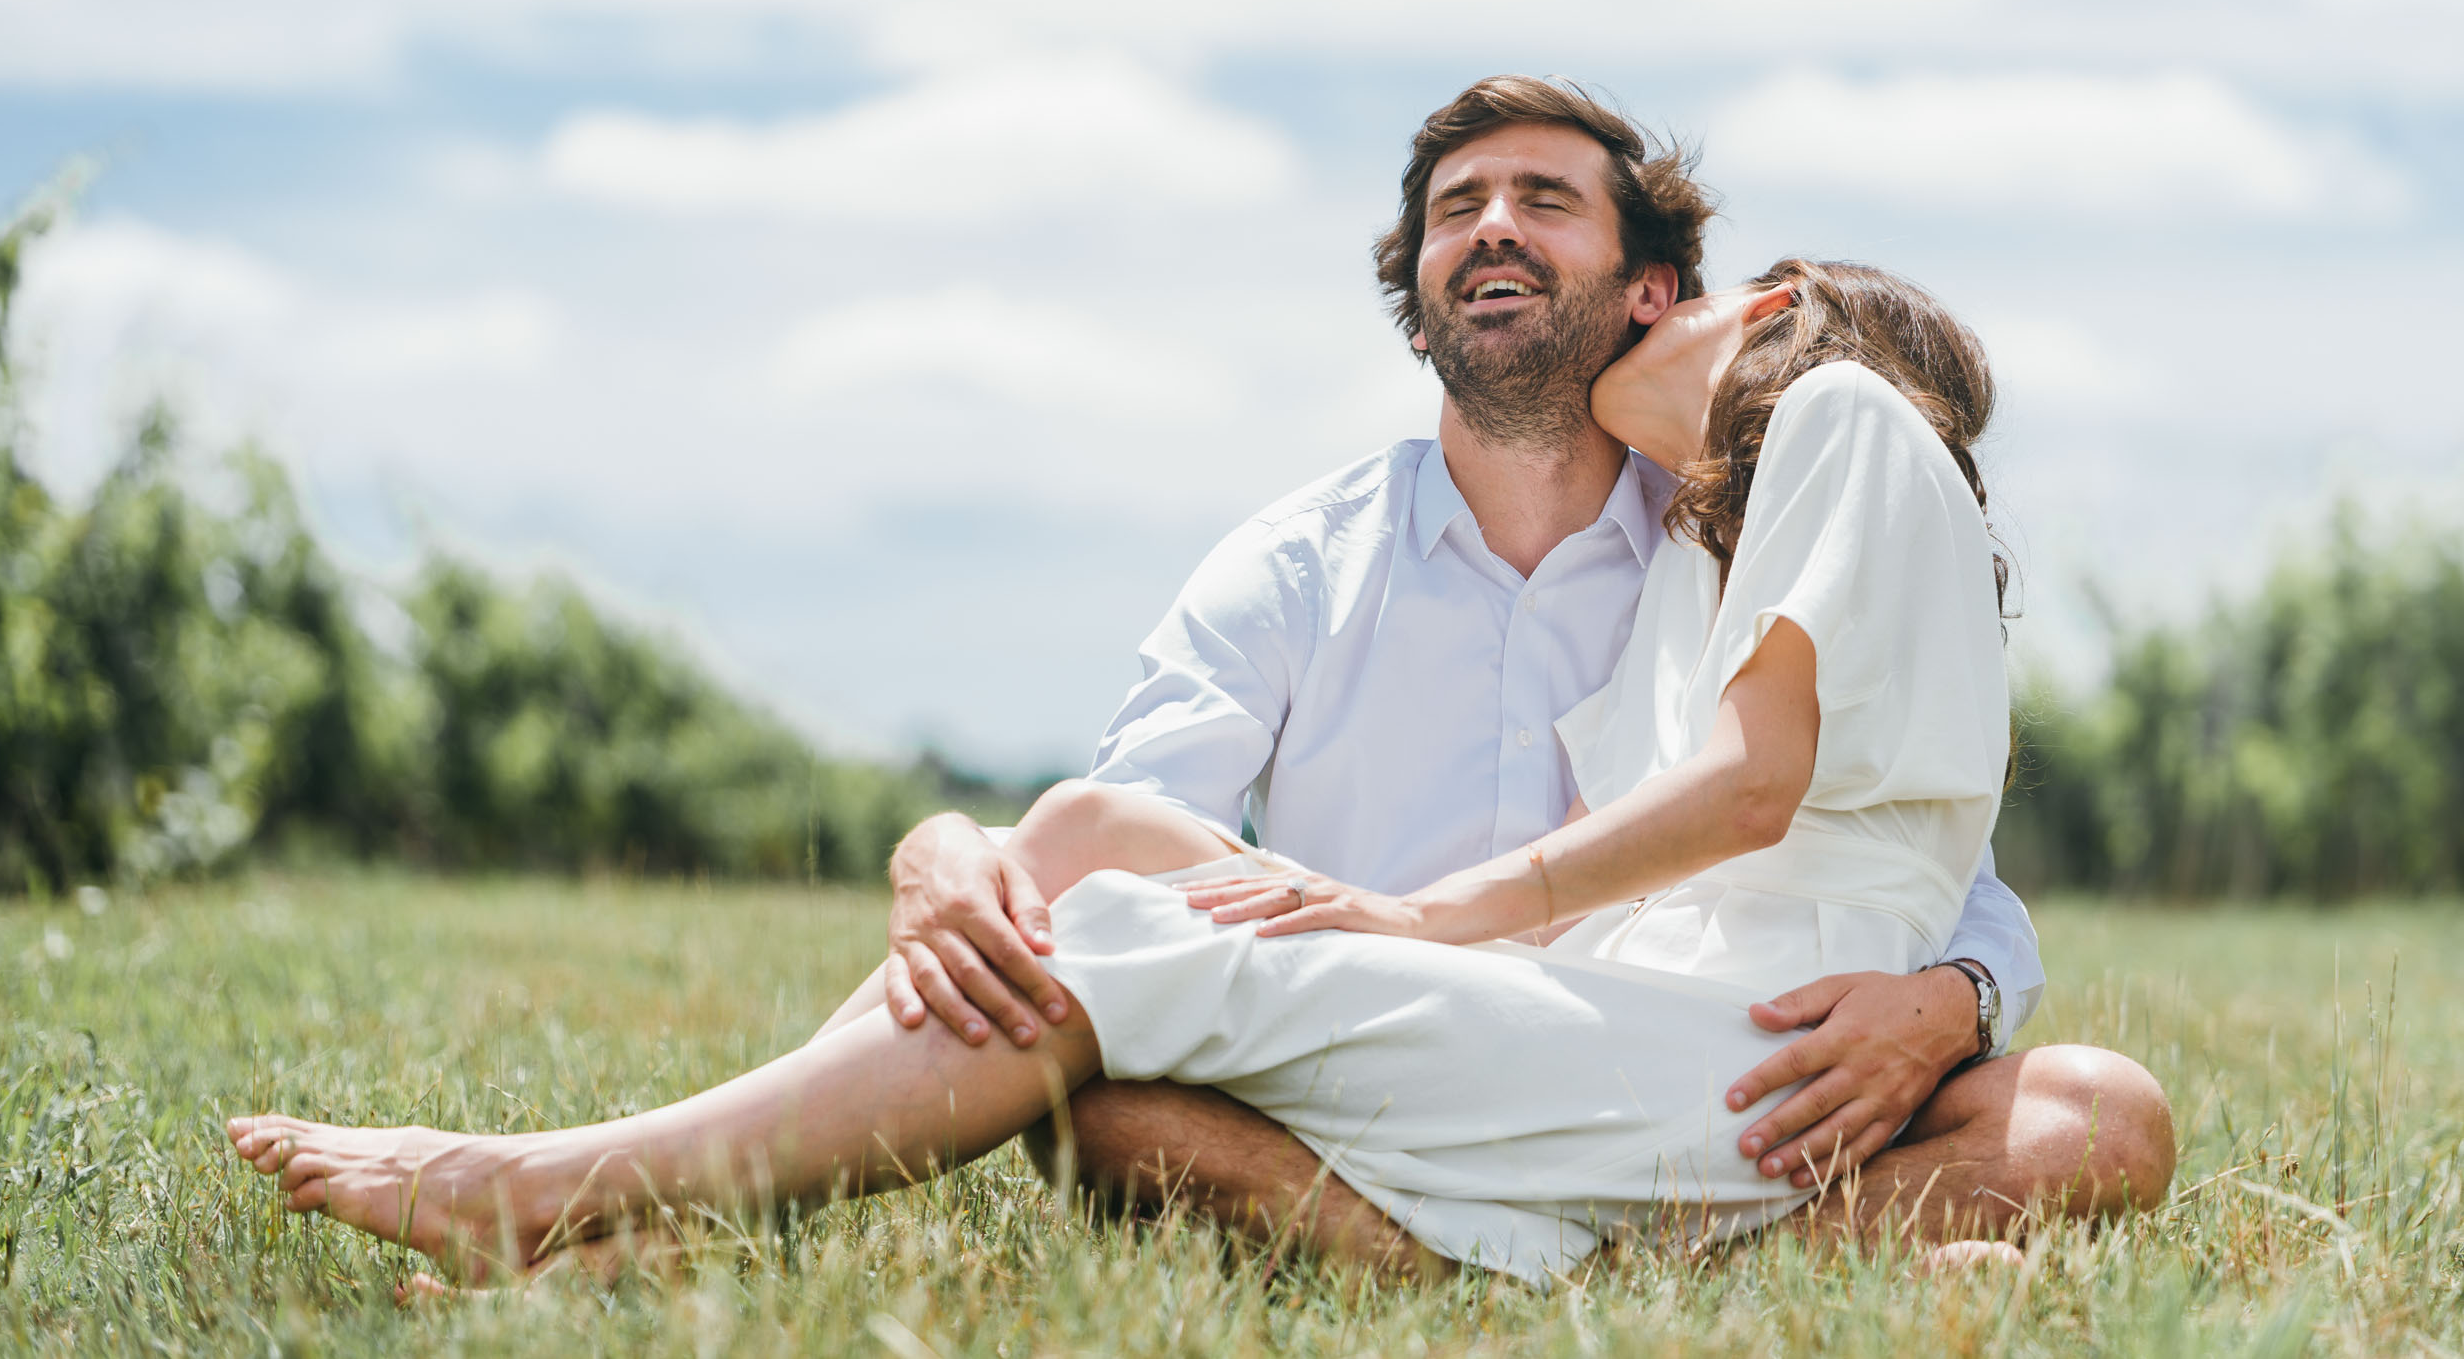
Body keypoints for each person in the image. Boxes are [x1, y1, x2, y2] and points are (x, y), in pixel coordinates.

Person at [228, 253, 2156, 1285]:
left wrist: (1429, 915)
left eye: (1600, 256)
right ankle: (1543, 1251)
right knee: (1085, 868)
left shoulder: (1835, 416)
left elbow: (1770, 797)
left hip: (1711, 1054)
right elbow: (1802, 801)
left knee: (1125, 942)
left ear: (1732, 297)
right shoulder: (1659, 553)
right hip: (1607, 1034)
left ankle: (548, 1191)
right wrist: (949, 839)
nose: (1556, 293)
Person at [874, 79, 2172, 1261]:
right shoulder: (1291, 566)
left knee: (2094, 1115)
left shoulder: (1726, 537)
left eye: (1543, 199)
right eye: (1456, 210)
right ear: (1421, 299)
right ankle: (1633, 1267)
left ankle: (1500, 1265)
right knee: (1102, 1104)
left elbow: (1923, 849)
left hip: (1693, 1075)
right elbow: (1123, 849)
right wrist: (944, 841)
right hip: (1367, 1067)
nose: (1492, 226)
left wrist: (1952, 1000)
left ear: (1649, 289)